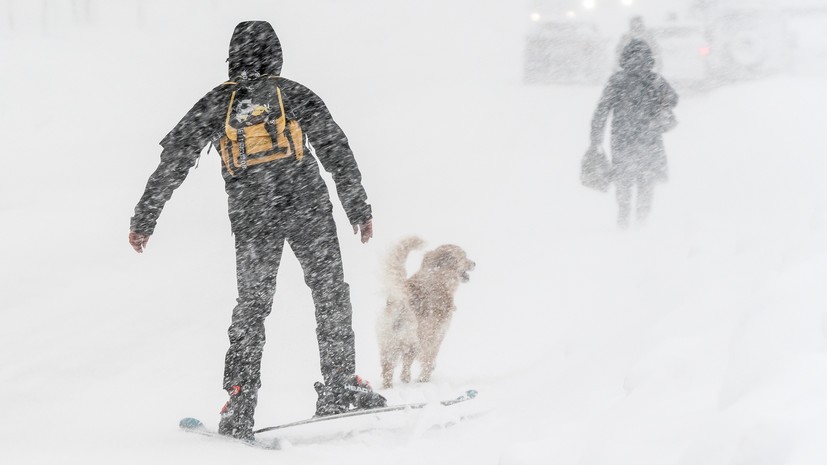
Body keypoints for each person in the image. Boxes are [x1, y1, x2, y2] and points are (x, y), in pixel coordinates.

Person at [128, 21, 386, 441]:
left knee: (252, 306)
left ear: (232, 57)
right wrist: (358, 207)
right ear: (276, 55)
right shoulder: (295, 94)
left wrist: (144, 219)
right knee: (329, 292)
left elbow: (174, 160)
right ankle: (338, 383)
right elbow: (336, 148)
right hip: (308, 208)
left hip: (252, 218)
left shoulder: (217, 103)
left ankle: (240, 401)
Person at [590, 39, 679, 228]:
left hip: (622, 139)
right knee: (646, 181)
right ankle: (642, 221)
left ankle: (623, 216)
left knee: (623, 179)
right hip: (650, 139)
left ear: (624, 58)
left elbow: (602, 110)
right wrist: (659, 105)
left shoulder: (617, 81)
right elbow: (673, 99)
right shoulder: (655, 80)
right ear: (650, 59)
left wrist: (595, 141)